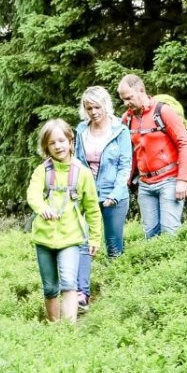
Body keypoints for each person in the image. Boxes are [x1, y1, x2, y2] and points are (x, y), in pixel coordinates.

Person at [27, 119, 104, 324]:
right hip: (44, 239)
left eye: (62, 140)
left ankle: (69, 330)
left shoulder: (83, 173)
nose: (58, 146)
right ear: (46, 147)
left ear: (71, 141)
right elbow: (33, 195)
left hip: (71, 238)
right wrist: (42, 208)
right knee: (50, 287)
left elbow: (92, 209)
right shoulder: (41, 171)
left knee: (69, 283)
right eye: (52, 143)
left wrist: (95, 238)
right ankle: (54, 327)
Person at [75, 86, 132, 311]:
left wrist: (115, 195)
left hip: (113, 196)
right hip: (88, 195)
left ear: (105, 105)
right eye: (89, 108)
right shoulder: (81, 130)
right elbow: (78, 162)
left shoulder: (120, 130)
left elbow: (125, 166)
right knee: (84, 242)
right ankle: (83, 294)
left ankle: (115, 294)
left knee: (113, 246)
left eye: (97, 107)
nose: (93, 112)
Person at [117, 73, 187, 238]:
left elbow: (184, 143)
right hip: (145, 184)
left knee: (170, 232)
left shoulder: (163, 111)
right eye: (123, 99)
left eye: (129, 97)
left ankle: (174, 264)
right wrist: (126, 179)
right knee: (150, 234)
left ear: (141, 90)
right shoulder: (127, 119)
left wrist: (182, 180)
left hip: (170, 180)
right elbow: (127, 151)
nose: (125, 103)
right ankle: (154, 264)